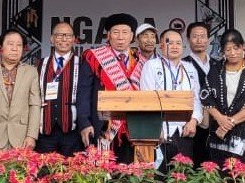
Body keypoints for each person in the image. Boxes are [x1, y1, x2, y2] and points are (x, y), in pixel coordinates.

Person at [77, 13, 144, 162]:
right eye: (116, 32)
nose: (120, 37)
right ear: (108, 35)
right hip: (102, 127)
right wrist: (84, 123)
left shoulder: (140, 60)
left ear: (132, 36)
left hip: (133, 128)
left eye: (125, 32)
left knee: (130, 172)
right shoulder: (95, 57)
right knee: (102, 172)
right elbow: (83, 93)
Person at [202, 29, 245, 166]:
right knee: (218, 174)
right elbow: (206, 96)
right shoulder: (216, 69)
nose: (233, 53)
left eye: (236, 48)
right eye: (228, 49)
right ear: (223, 51)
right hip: (218, 133)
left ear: (243, 47)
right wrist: (220, 118)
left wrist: (228, 124)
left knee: (242, 174)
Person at [140, 29, 203, 160]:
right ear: (161, 46)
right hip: (160, 132)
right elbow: (147, 100)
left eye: (178, 43)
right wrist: (155, 128)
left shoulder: (190, 68)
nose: (175, 46)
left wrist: (194, 120)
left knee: (183, 171)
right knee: (158, 172)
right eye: (170, 43)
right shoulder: (151, 66)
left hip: (184, 131)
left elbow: (196, 99)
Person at [0, 30, 41, 150]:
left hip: (22, 138)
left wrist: (31, 135)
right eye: (10, 44)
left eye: (19, 45)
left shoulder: (31, 72)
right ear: (1, 48)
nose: (15, 48)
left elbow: (35, 105)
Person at [36, 22, 84, 156]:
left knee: (72, 168)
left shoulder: (81, 63)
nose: (64, 39)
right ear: (52, 39)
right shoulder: (40, 64)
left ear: (74, 39)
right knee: (44, 167)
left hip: (72, 130)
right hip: (45, 130)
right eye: (59, 35)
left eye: (68, 35)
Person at [184, 21, 217, 164]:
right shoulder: (183, 64)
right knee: (194, 160)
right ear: (188, 39)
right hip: (193, 121)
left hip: (216, 121)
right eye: (195, 36)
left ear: (208, 39)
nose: (199, 40)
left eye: (202, 36)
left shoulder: (218, 64)